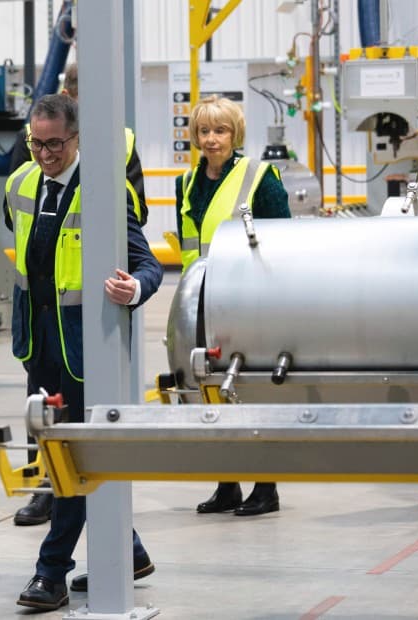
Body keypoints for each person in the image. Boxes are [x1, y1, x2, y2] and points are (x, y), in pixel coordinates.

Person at [8, 94, 163, 611]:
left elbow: (148, 265)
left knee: (73, 464)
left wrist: (133, 289)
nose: (46, 154)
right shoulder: (20, 185)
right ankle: (130, 552)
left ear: (77, 139)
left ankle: (50, 572)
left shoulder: (103, 191)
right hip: (40, 349)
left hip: (84, 357)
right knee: (61, 460)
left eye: (56, 144)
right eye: (37, 143)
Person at [176, 94, 290, 517]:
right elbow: (189, 246)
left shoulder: (260, 177)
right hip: (204, 300)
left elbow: (283, 240)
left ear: (235, 134)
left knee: (250, 392)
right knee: (211, 393)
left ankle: (266, 486)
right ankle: (228, 483)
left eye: (220, 131)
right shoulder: (186, 183)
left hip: (249, 300)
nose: (211, 139)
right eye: (203, 131)